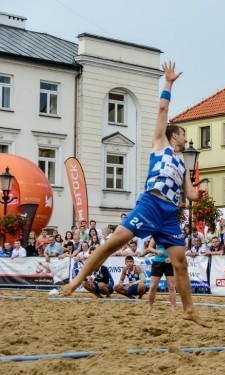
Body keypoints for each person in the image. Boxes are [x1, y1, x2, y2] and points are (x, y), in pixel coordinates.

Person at [59, 61, 206, 327]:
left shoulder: (183, 165)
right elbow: (162, 109)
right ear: (175, 136)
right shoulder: (160, 144)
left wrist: (199, 194)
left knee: (181, 262)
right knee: (113, 243)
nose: (186, 138)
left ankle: (188, 309)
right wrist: (169, 83)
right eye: (184, 134)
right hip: (151, 203)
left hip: (170, 214)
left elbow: (191, 196)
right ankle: (77, 281)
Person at [145, 238, 177, 310]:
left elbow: (176, 248)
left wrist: (171, 258)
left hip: (169, 262)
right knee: (153, 286)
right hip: (157, 261)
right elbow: (149, 248)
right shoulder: (155, 236)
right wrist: (157, 251)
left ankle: (173, 307)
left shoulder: (170, 234)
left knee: (171, 286)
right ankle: (149, 307)